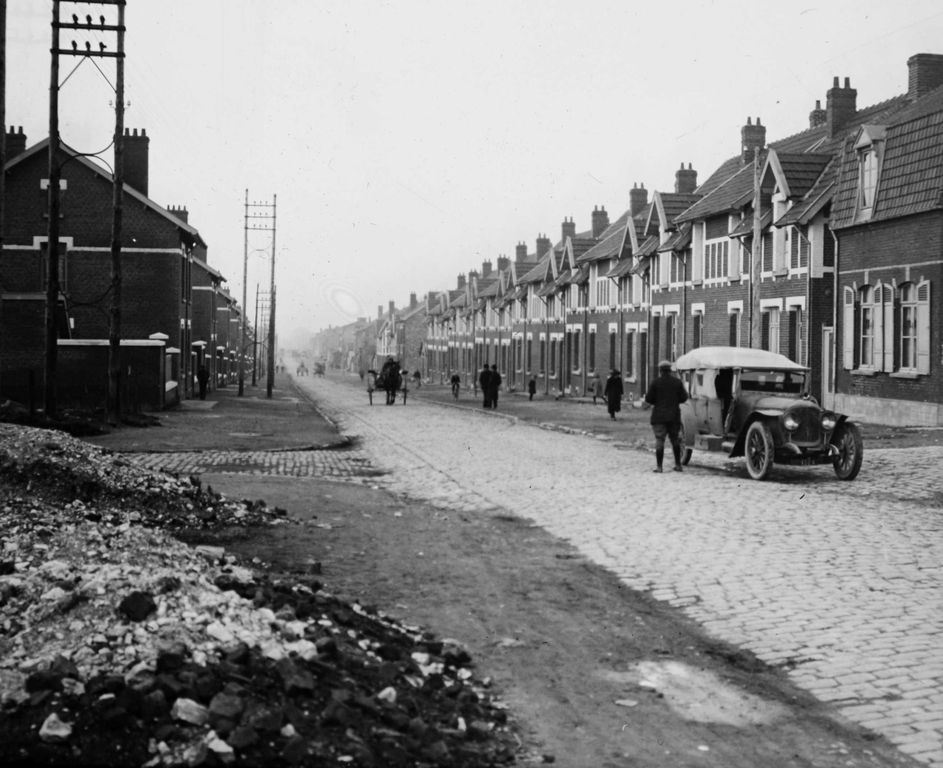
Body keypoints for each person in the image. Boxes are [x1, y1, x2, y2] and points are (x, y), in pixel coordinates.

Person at [643, 359, 689, 473]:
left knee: (660, 440)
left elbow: (649, 399)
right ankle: (678, 465)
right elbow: (684, 397)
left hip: (659, 416)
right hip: (673, 416)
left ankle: (659, 467)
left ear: (660, 371)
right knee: (675, 440)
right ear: (670, 370)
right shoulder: (677, 382)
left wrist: (657, 401)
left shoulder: (655, 382)